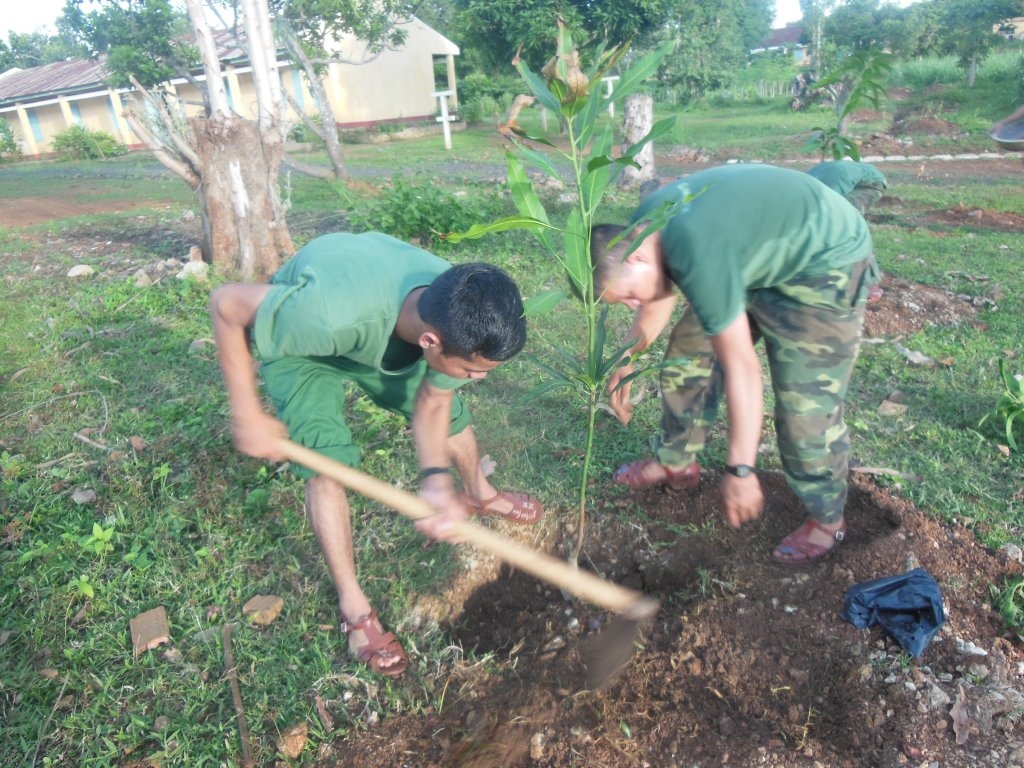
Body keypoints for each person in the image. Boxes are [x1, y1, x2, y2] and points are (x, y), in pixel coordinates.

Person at [210, 232, 544, 677]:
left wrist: (435, 480)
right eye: (471, 370)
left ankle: (480, 492)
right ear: (430, 341)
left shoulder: (458, 305)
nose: (477, 379)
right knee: (326, 465)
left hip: (377, 322)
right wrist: (246, 411)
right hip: (307, 349)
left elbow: (434, 405)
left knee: (453, 419)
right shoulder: (323, 315)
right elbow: (227, 303)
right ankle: (355, 607)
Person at [590, 164, 877, 565]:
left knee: (806, 408)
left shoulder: (698, 250)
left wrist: (741, 469)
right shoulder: (643, 227)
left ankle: (828, 520)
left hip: (824, 265)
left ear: (637, 256)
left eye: (628, 295)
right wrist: (626, 354)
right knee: (688, 355)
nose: (633, 305)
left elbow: (743, 367)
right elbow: (658, 294)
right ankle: (676, 459)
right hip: (755, 256)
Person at [807, 160, 887, 302]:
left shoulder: (821, 195)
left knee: (847, 228)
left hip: (869, 182)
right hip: (841, 175)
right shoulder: (803, 192)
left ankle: (871, 285)